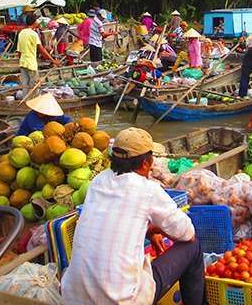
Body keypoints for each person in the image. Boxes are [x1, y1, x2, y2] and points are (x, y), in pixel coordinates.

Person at [62, 127, 205, 305]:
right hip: (122, 301)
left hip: (73, 297)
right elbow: (187, 233)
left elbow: (115, 221)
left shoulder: (97, 182)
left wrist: (150, 230)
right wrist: (158, 228)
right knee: (193, 247)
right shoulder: (147, 190)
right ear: (146, 163)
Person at [17, 15, 59, 91]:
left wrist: (21, 60)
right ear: (34, 22)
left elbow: (19, 51)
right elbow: (42, 50)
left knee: (25, 86)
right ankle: (33, 101)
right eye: (37, 21)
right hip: (31, 64)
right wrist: (53, 60)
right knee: (34, 87)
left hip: (22, 63)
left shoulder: (21, 33)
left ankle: (27, 102)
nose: (39, 22)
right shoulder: (33, 34)